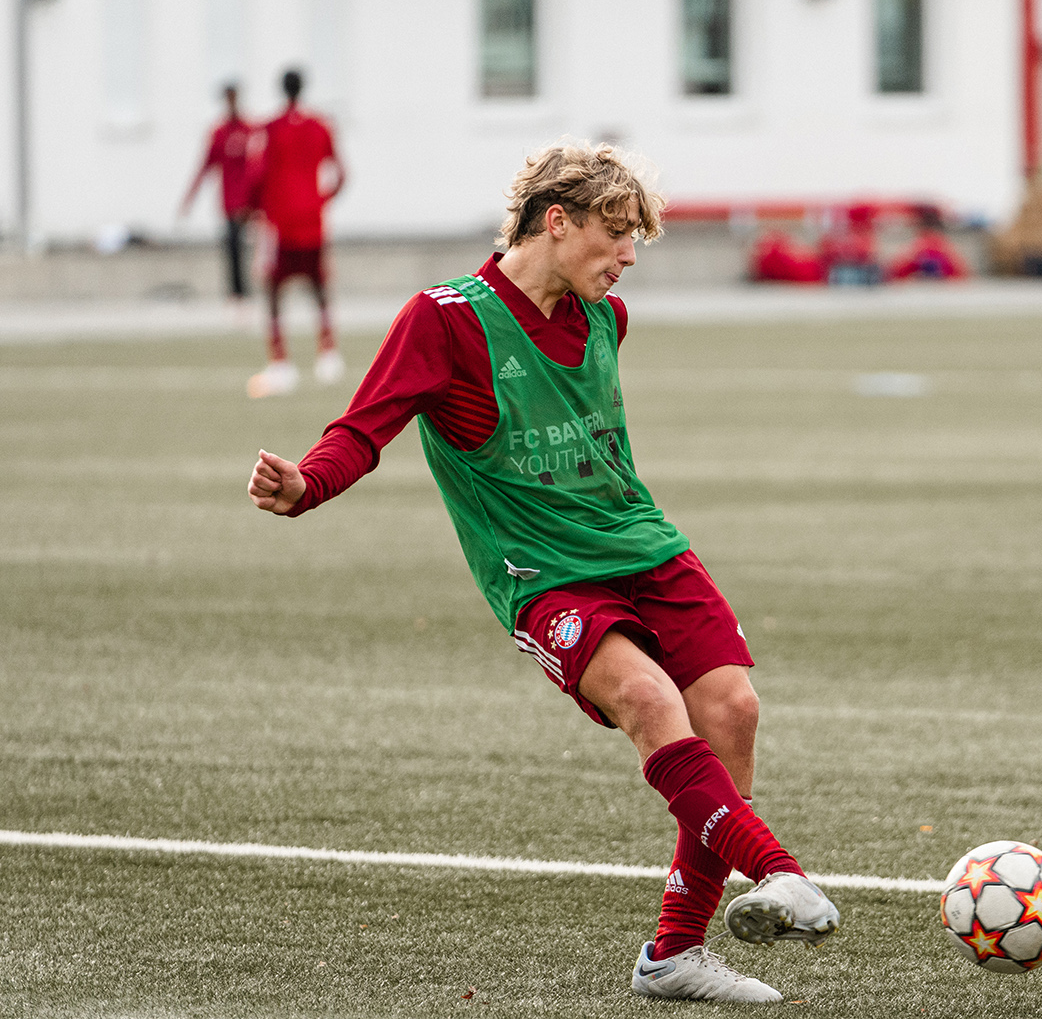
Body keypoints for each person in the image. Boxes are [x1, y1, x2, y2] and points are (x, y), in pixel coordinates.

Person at [245, 143, 840, 1002]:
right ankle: (777, 871)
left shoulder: (606, 317)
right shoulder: (444, 318)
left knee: (733, 710)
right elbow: (363, 429)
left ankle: (674, 956)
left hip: (646, 545)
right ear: (554, 221)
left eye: (637, 236)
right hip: (544, 575)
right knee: (647, 699)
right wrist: (305, 485)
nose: (630, 255)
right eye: (616, 232)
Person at [248, 69, 347, 398]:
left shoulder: (269, 129)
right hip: (312, 223)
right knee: (320, 288)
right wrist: (320, 201)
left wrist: (258, 210)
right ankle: (328, 354)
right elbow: (341, 173)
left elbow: (256, 176)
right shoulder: (320, 125)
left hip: (279, 225)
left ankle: (280, 361)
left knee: (274, 292)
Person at [179, 83, 260, 307]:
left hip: (248, 201)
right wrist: (190, 198)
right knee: (232, 244)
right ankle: (237, 293)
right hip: (229, 200)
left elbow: (260, 164)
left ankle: (248, 290)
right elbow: (205, 166)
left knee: (249, 245)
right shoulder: (219, 133)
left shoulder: (249, 129)